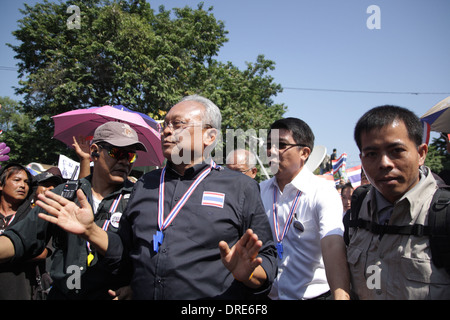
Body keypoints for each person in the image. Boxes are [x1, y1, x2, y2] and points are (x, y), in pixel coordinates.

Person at [34, 95, 278, 299]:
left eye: (179, 124)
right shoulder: (145, 184)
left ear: (209, 137)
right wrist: (91, 231)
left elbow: (267, 258)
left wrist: (248, 275)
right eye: (165, 125)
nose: (167, 131)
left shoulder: (241, 187)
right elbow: (125, 252)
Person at [0, 121, 146, 299]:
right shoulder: (64, 194)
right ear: (95, 151)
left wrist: (136, 286)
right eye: (117, 152)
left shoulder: (140, 199)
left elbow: (150, 257)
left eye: (130, 156)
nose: (124, 161)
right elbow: (21, 239)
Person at [347, 105, 450, 299]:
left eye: (396, 150)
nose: (384, 163)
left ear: (421, 154)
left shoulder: (443, 213)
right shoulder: (358, 209)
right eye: (372, 154)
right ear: (361, 159)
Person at [260, 117, 350, 300]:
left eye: (281, 145)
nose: (272, 151)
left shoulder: (323, 193)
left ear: (304, 152)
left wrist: (340, 296)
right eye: (269, 145)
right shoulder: (259, 191)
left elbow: (332, 244)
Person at [0, 163, 41, 299]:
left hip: (19, 291)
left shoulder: (33, 216)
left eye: (26, 182)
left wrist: (9, 251)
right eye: (16, 180)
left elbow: (42, 252)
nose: (23, 185)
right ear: (1, 185)